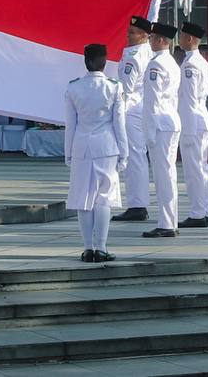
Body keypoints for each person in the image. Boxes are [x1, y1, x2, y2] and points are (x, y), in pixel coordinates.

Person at [64, 43, 127, 263]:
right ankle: (101, 247)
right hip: (106, 147)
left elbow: (70, 124)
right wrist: (124, 152)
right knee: (104, 198)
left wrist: (68, 153)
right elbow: (119, 123)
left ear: (86, 61)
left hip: (81, 146)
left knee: (83, 198)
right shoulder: (114, 87)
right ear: (103, 62)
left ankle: (87, 248)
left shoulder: (74, 88)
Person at [141, 22, 182, 239]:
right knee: (167, 173)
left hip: (160, 125)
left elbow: (152, 102)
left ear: (161, 41)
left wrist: (148, 131)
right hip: (169, 122)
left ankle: (167, 223)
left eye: (152, 38)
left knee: (163, 175)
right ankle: (169, 220)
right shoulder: (172, 63)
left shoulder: (156, 65)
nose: (150, 41)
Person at [113, 16, 153, 223]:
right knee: (138, 156)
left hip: (130, 109)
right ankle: (138, 203)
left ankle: (137, 205)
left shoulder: (133, 55)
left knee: (133, 157)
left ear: (144, 35)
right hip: (141, 108)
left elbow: (125, 88)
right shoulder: (148, 52)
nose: (128, 36)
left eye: (132, 32)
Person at [176, 22, 208, 229]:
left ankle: (198, 213)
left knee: (194, 170)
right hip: (199, 119)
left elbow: (189, 99)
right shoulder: (199, 61)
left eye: (182, 35)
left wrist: (187, 128)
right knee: (201, 168)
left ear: (189, 39)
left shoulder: (190, 65)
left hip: (192, 121)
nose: (179, 39)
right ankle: (203, 210)